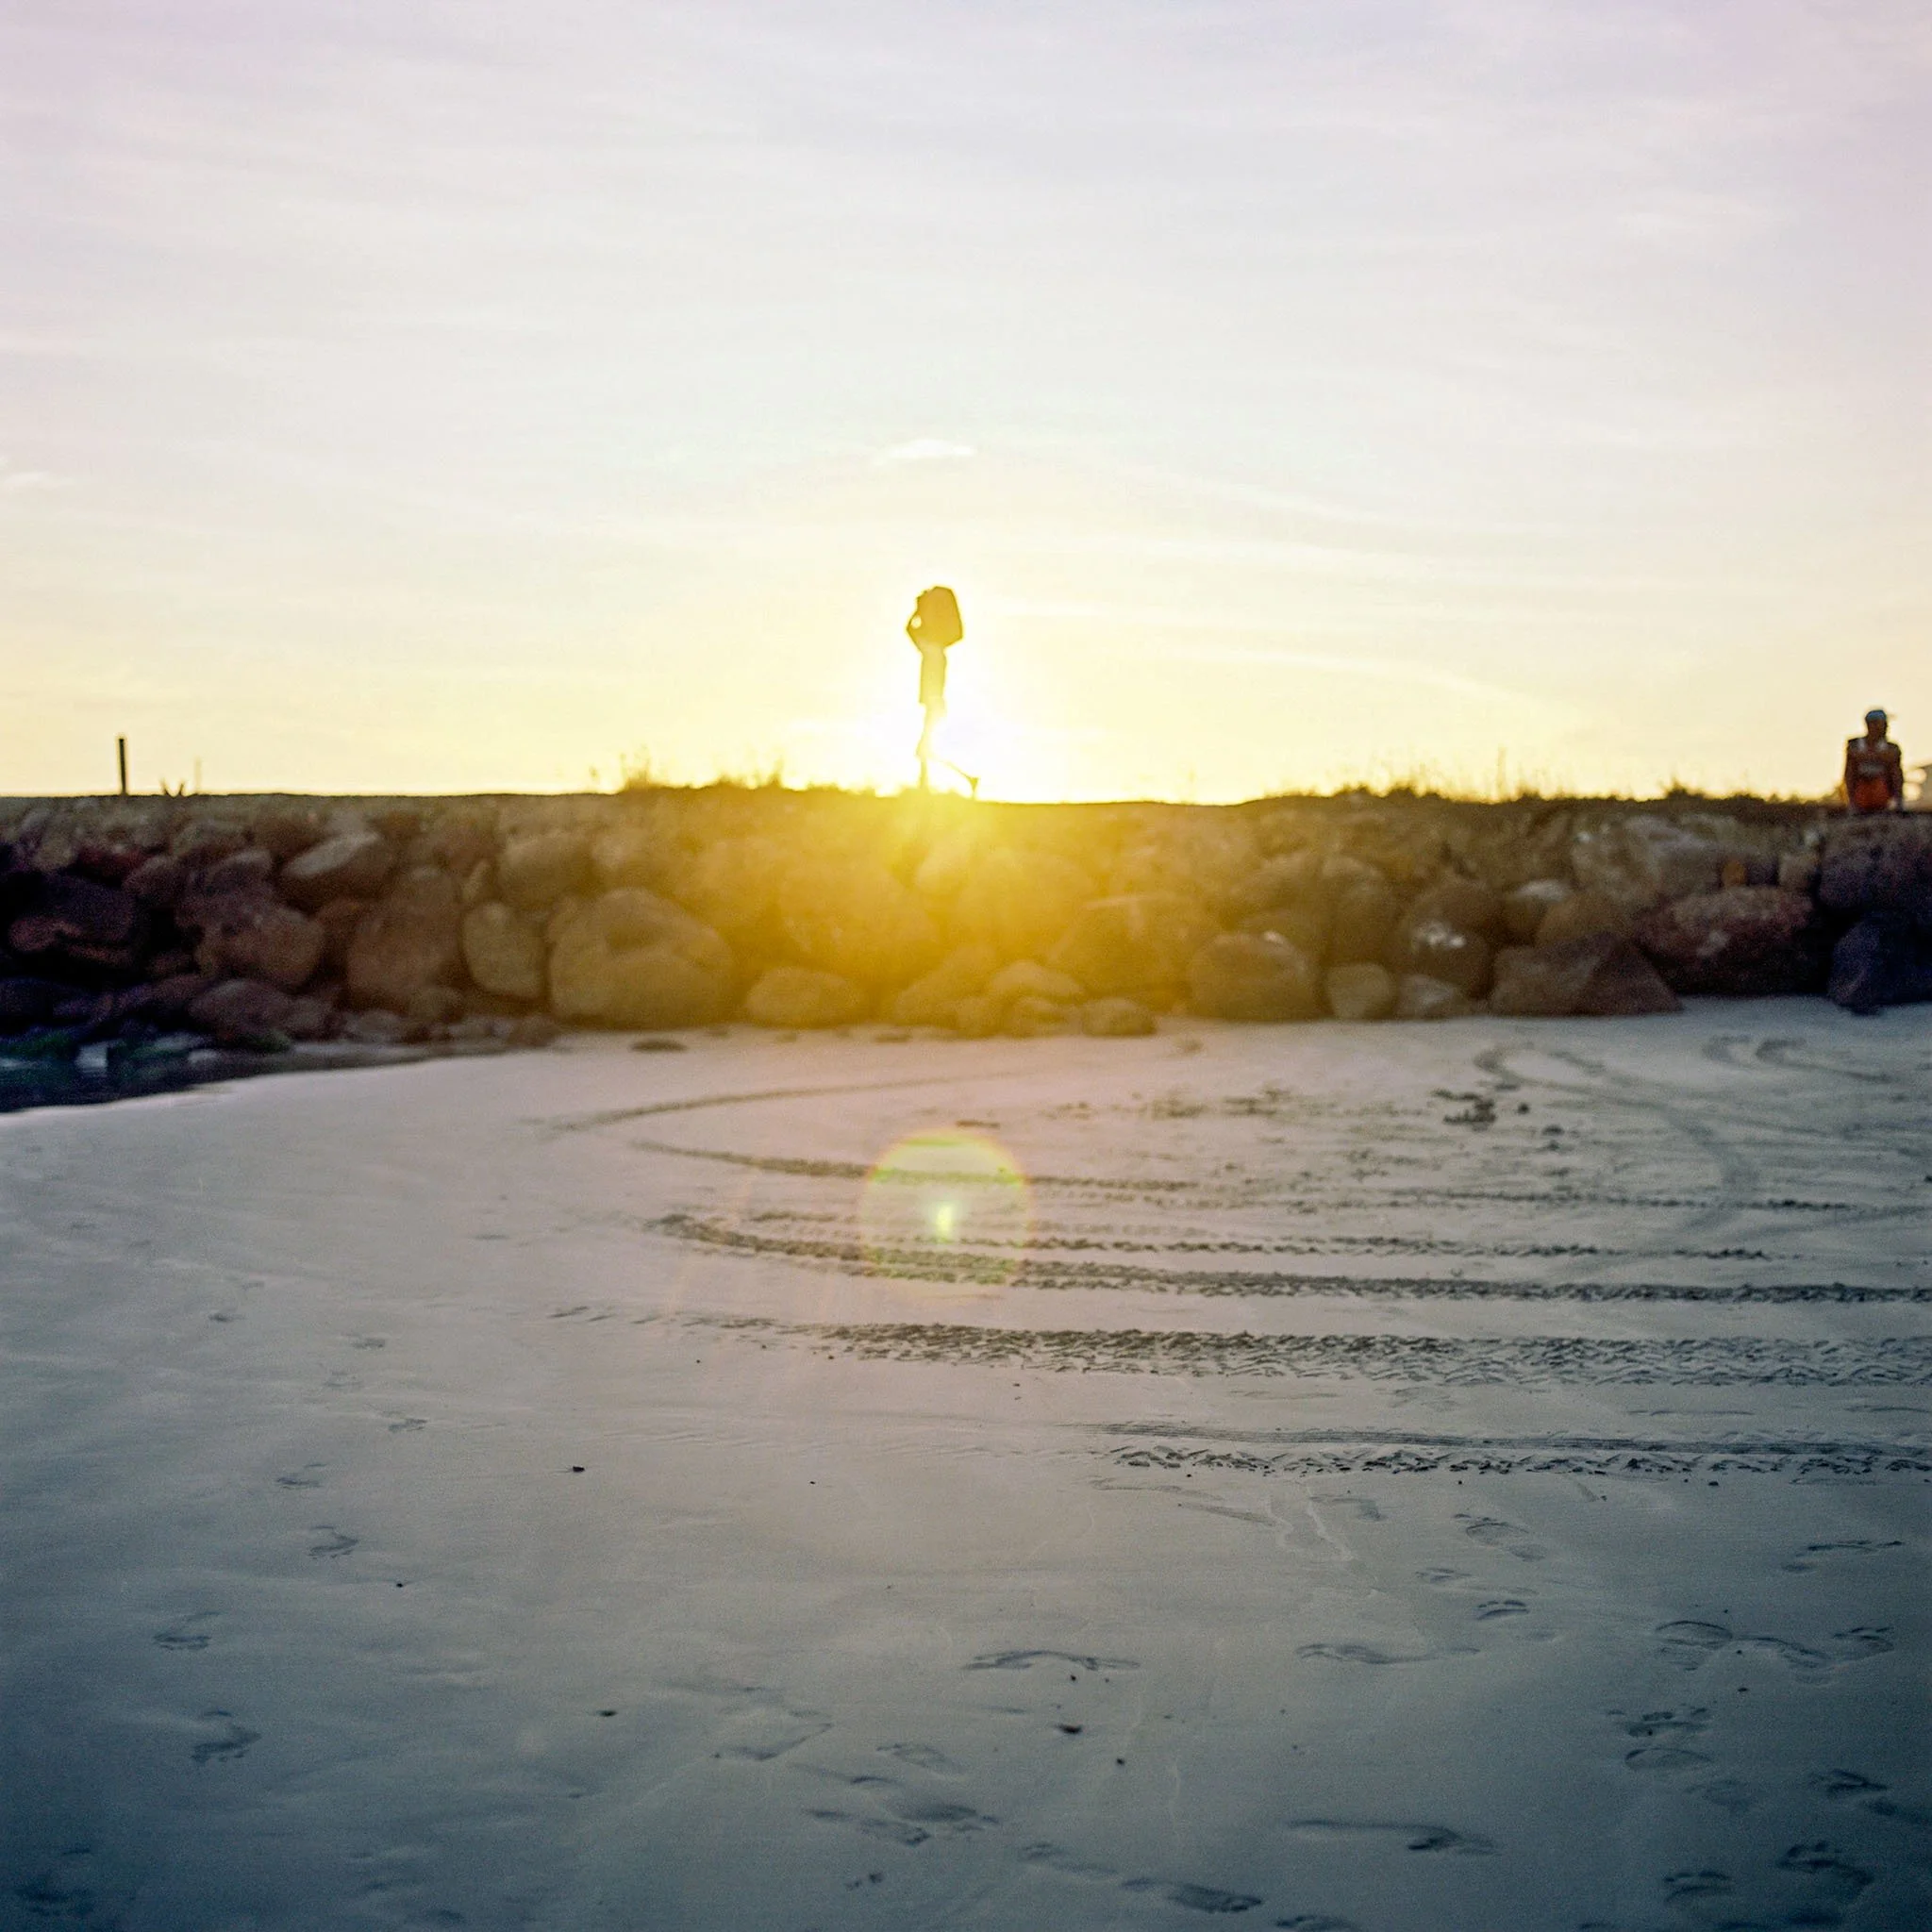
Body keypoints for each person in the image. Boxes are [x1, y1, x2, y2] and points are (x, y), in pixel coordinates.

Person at [906, 586, 963, 790]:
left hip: (934, 701)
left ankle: (927, 782)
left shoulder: (931, 649)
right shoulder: (937, 650)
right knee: (925, 747)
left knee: (925, 747)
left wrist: (918, 611)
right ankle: (927, 781)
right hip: (935, 701)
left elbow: (909, 629)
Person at [1843, 708, 1904, 814]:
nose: (1886, 727)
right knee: (1851, 766)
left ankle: (1897, 802)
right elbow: (1853, 756)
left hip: (1882, 788)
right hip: (1861, 789)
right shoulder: (1855, 744)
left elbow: (1892, 757)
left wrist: (1866, 756)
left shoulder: (1891, 747)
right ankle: (1852, 803)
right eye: (1883, 724)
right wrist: (1877, 756)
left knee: (1895, 768)